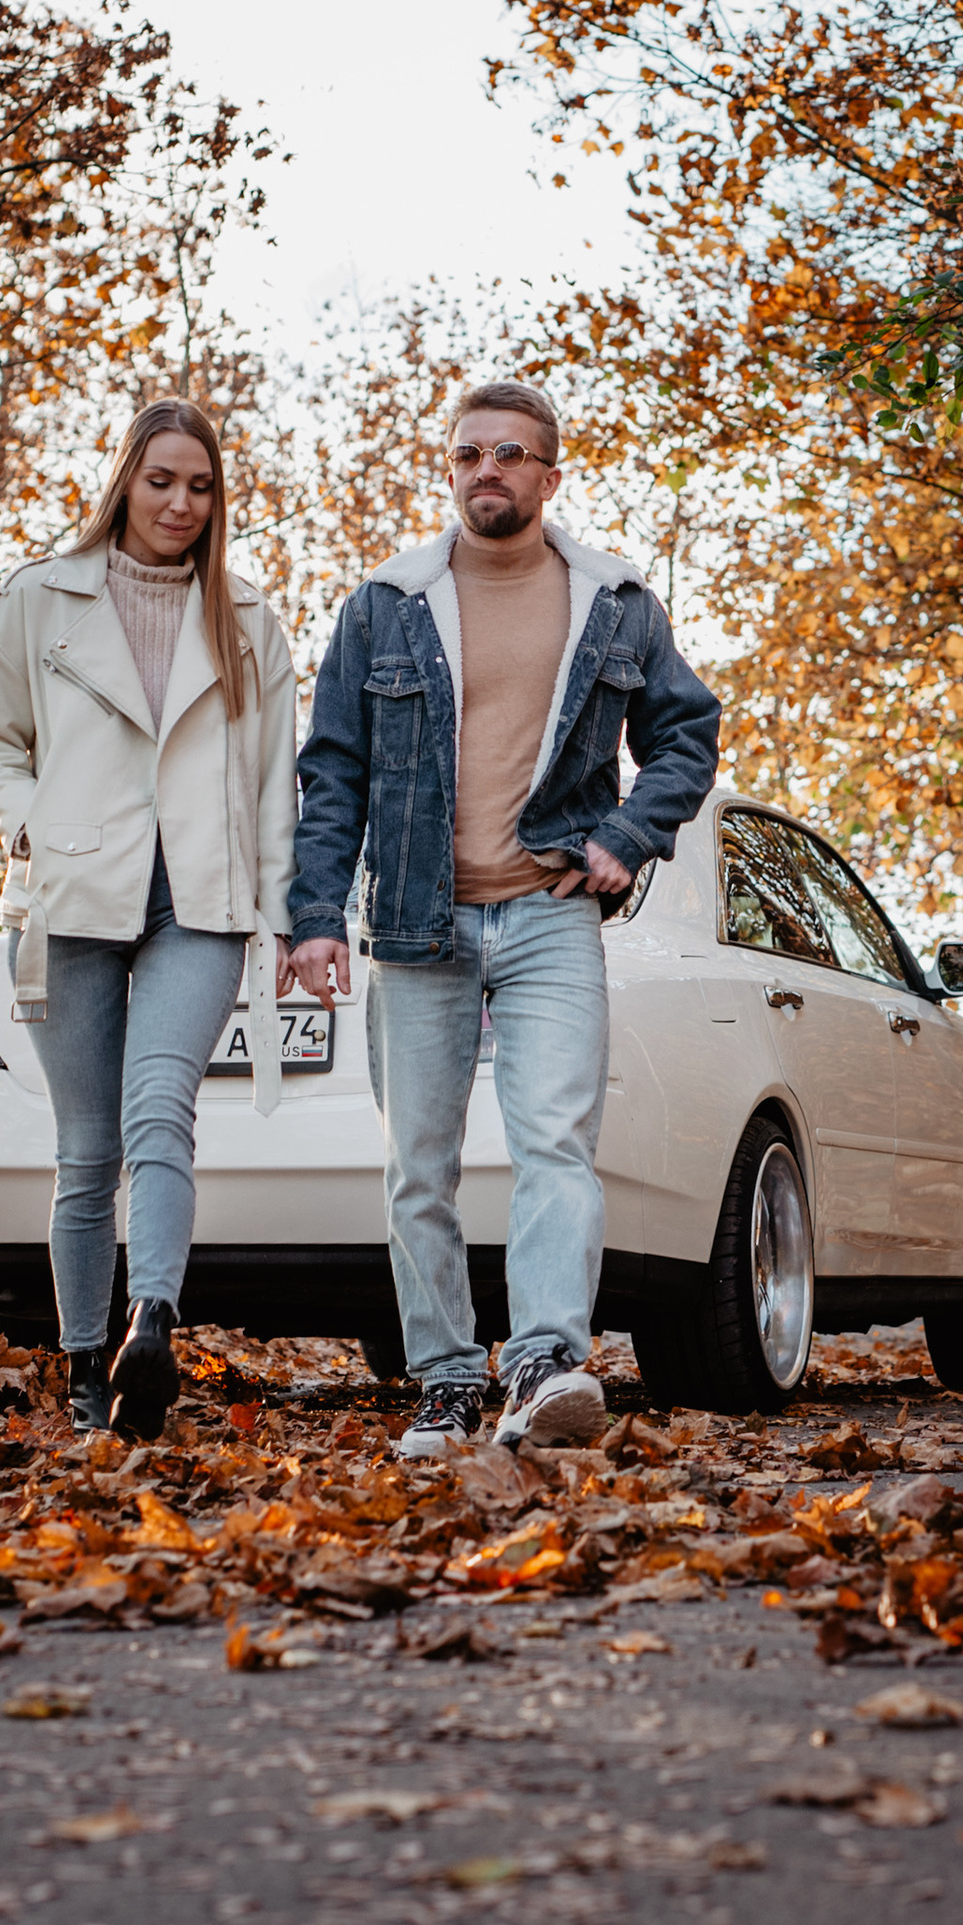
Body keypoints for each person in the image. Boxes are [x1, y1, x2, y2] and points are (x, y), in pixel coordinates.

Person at [285, 377, 722, 1455]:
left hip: (548, 919)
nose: (490, 470)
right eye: (470, 454)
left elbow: (687, 736)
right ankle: (442, 1378)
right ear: (451, 470)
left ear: (549, 474)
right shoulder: (384, 604)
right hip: (415, 931)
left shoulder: (614, 602)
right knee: (417, 1167)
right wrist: (314, 919)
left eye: (512, 454)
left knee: (557, 1151)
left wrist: (625, 838)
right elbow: (332, 771)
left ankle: (541, 1363)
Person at [0, 396, 299, 1440]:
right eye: (162, 481)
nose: (181, 503)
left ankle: (153, 1321)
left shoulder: (249, 623)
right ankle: (82, 1365)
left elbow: (278, 788)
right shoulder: (39, 600)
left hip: (200, 899)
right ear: (125, 483)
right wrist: (26, 823)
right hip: (66, 897)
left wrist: (284, 924)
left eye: (200, 486)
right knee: (86, 1148)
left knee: (161, 1111)